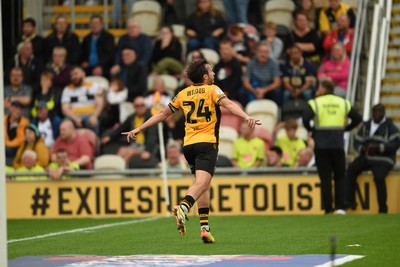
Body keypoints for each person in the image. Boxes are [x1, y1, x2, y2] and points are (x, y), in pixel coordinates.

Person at [122, 59, 260, 243]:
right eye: (211, 72)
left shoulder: (183, 93)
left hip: (188, 146)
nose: (213, 74)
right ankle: (184, 208)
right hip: (206, 143)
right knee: (202, 183)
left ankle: (205, 228)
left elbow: (162, 114)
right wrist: (246, 116)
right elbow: (228, 105)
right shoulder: (213, 89)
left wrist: (139, 129)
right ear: (204, 77)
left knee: (204, 185)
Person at [302, 80, 362, 214]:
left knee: (325, 177)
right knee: (340, 175)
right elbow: (358, 118)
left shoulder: (316, 103)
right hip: (337, 144)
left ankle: (328, 208)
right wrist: (345, 129)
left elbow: (305, 119)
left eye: (319, 88)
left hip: (321, 145)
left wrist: (313, 130)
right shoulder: (342, 102)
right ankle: (340, 207)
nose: (318, 91)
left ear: (323, 89)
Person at [346, 104, 400, 213]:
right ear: (372, 112)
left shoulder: (391, 127)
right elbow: (357, 141)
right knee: (351, 169)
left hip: (383, 159)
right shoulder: (366, 125)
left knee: (379, 177)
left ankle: (383, 209)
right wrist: (363, 149)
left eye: (380, 112)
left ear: (384, 113)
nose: (377, 114)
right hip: (367, 156)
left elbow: (395, 144)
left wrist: (378, 148)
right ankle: (350, 202)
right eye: (375, 112)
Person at [101, 96, 159, 166]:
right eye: (137, 106)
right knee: (122, 150)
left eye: (142, 105)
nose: (140, 107)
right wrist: (110, 137)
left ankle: (121, 170)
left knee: (130, 152)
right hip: (134, 144)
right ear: (134, 107)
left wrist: (148, 151)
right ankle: (114, 166)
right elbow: (121, 129)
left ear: (145, 106)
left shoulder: (150, 119)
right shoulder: (132, 118)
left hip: (144, 145)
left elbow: (152, 136)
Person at [61, 66, 105, 132]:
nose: (73, 77)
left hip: (90, 115)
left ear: (83, 74)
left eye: (76, 74)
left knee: (93, 122)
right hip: (73, 116)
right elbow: (65, 109)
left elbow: (100, 104)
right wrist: (75, 119)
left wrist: (95, 116)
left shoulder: (94, 86)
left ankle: (95, 141)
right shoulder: (67, 89)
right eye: (72, 75)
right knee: (65, 125)